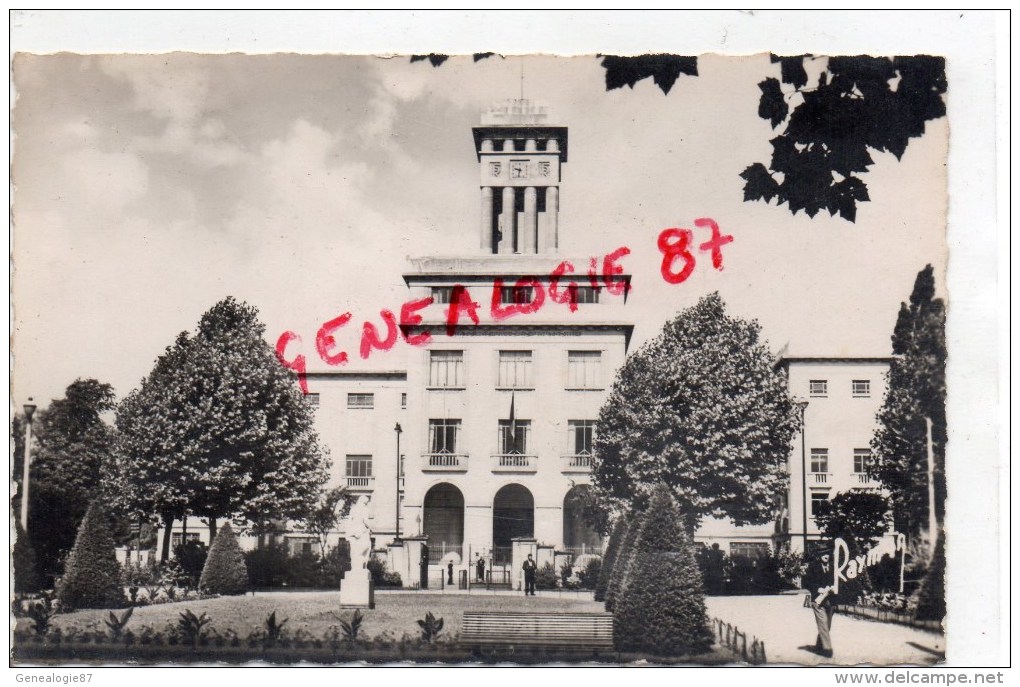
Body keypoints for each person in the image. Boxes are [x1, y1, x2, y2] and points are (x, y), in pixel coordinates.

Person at [803, 548, 837, 658]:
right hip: (818, 601)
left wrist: (834, 587)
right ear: (819, 556)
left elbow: (838, 581)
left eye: (827, 553)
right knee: (823, 624)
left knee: (827, 626)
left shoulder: (833, 567)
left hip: (830, 600)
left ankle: (819, 646)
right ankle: (828, 650)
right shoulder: (813, 567)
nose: (826, 556)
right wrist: (818, 589)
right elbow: (806, 582)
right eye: (823, 554)